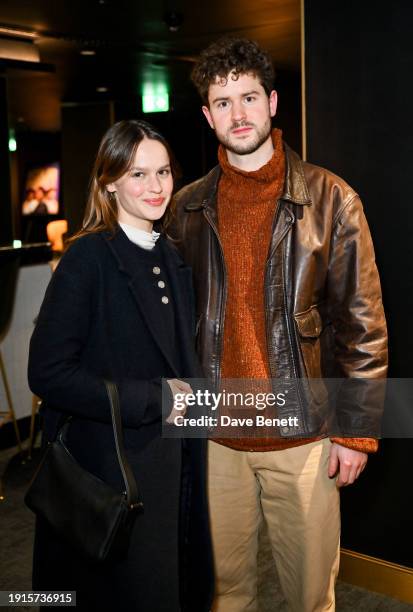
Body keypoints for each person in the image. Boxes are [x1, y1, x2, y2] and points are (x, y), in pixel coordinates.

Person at [170, 38, 388, 612]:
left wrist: (354, 432)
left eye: (248, 98)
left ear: (272, 103)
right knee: (222, 595)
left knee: (310, 598)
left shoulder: (331, 199)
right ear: (207, 115)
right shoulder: (185, 209)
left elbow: (362, 327)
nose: (237, 114)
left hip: (305, 437)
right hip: (214, 438)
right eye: (223, 103)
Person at [28, 120, 213, 612]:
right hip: (111, 472)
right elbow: (47, 372)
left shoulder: (172, 258)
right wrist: (151, 398)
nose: (155, 187)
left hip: (171, 467)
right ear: (109, 182)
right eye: (137, 175)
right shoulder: (88, 256)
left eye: (164, 172)